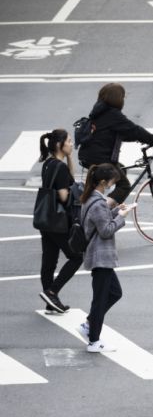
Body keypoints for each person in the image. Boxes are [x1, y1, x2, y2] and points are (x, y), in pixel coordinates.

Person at [78, 82, 153, 204]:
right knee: (124, 186)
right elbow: (134, 129)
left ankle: (102, 204)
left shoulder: (99, 111)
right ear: (117, 99)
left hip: (89, 155)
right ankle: (101, 210)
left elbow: (118, 133)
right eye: (123, 97)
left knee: (121, 170)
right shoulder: (113, 115)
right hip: (100, 157)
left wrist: (138, 139)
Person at [78, 163, 131, 353]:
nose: (112, 185)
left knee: (115, 293)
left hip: (101, 257)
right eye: (111, 182)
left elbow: (101, 221)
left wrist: (117, 211)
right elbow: (106, 230)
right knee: (100, 300)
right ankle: (93, 340)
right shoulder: (98, 202)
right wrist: (121, 217)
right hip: (100, 256)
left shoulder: (91, 198)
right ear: (103, 181)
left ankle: (89, 325)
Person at [36, 129, 82, 314]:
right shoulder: (59, 167)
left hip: (45, 220)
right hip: (59, 222)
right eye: (69, 141)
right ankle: (52, 292)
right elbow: (64, 195)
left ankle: (50, 303)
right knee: (76, 257)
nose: (71, 144)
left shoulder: (48, 164)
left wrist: (69, 157)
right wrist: (77, 194)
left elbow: (67, 175)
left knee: (49, 262)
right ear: (59, 145)